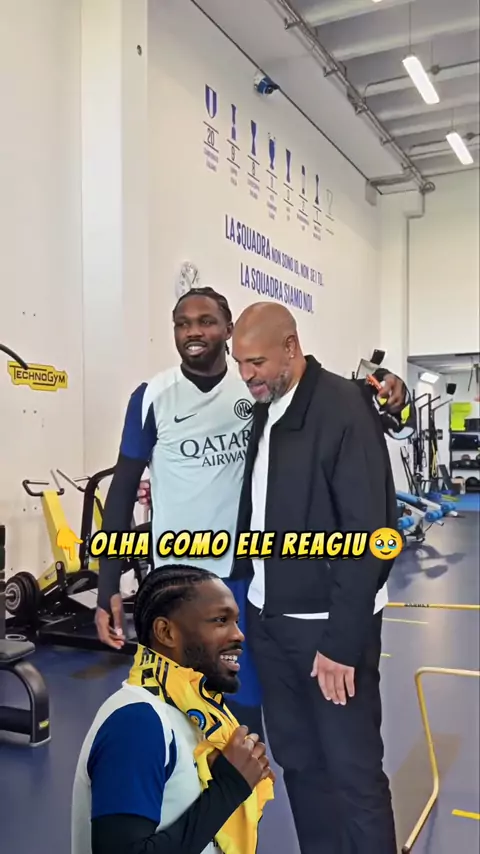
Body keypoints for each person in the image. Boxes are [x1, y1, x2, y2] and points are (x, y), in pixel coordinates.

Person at [229, 302, 400, 854]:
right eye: (239, 363)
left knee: (353, 773)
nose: (246, 375)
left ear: (291, 347)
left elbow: (370, 533)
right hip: (270, 622)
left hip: (327, 631)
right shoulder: (268, 407)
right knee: (300, 764)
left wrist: (341, 644)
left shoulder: (344, 409)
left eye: (256, 362)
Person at [72, 565, 275, 854]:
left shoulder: (198, 711)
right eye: (221, 621)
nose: (239, 635)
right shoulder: (136, 724)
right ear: (166, 632)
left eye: (236, 621)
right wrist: (230, 787)